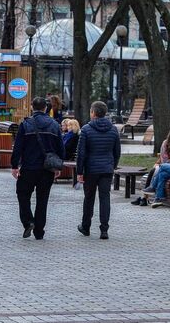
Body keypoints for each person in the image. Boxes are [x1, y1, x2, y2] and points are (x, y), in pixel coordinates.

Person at [11, 97, 65, 240]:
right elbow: (61, 147)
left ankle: (28, 221)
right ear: (45, 108)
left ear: (32, 107)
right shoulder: (54, 125)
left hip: (28, 167)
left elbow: (18, 147)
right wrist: (58, 166)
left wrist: (15, 165)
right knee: (43, 199)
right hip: (47, 169)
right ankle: (39, 231)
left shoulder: (26, 124)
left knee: (23, 195)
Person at [76, 101, 121, 239]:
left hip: (91, 170)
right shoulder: (113, 129)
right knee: (105, 198)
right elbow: (117, 151)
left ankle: (86, 227)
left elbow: (81, 153)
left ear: (93, 113)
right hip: (107, 169)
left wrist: (79, 171)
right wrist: (112, 165)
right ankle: (104, 229)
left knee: (89, 198)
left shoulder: (86, 129)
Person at [131, 126, 170, 206]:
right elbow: (164, 159)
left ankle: (145, 196)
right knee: (154, 171)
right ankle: (145, 197)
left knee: (157, 171)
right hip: (167, 165)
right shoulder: (166, 143)